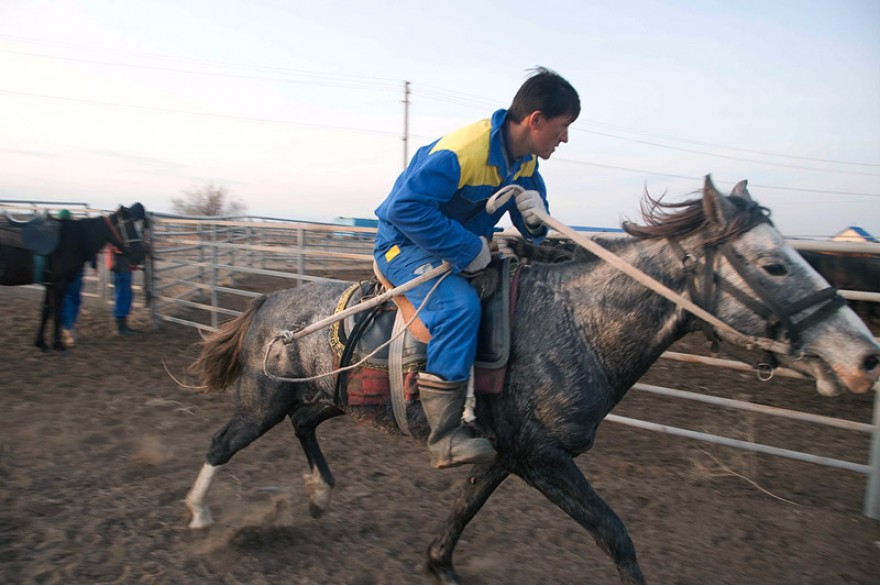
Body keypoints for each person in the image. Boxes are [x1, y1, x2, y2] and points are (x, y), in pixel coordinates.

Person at [373, 67, 580, 468]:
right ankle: (445, 436)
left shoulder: (523, 162)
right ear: (536, 120)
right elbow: (405, 209)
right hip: (403, 245)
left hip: (454, 250)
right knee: (458, 308)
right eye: (563, 126)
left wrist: (536, 217)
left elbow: (533, 227)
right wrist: (468, 248)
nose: (565, 138)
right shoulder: (462, 152)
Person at [106, 244, 139, 335]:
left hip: (123, 265)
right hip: (120, 265)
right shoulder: (116, 233)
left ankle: (123, 324)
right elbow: (114, 247)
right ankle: (121, 326)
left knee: (125, 294)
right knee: (122, 294)